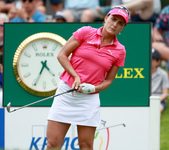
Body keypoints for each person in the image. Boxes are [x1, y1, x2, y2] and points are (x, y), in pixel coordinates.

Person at [46, 6, 129, 149]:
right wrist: (75, 76)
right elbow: (62, 55)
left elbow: (108, 80)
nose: (115, 24)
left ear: (123, 28)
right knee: (53, 143)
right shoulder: (85, 32)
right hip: (66, 93)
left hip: (88, 99)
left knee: (86, 146)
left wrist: (93, 88)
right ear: (106, 18)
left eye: (120, 23)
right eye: (113, 19)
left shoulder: (120, 51)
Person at [96, 0, 161, 25]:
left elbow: (156, 8)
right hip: (126, 14)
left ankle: (113, 8)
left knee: (148, 1)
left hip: (144, 14)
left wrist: (136, 10)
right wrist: (128, 10)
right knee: (124, 13)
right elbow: (115, 3)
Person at [151, 48, 169, 116]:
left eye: (152, 60)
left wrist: (155, 101)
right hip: (145, 100)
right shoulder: (141, 73)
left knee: (157, 110)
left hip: (158, 101)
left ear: (158, 62)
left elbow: (165, 93)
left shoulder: (163, 74)